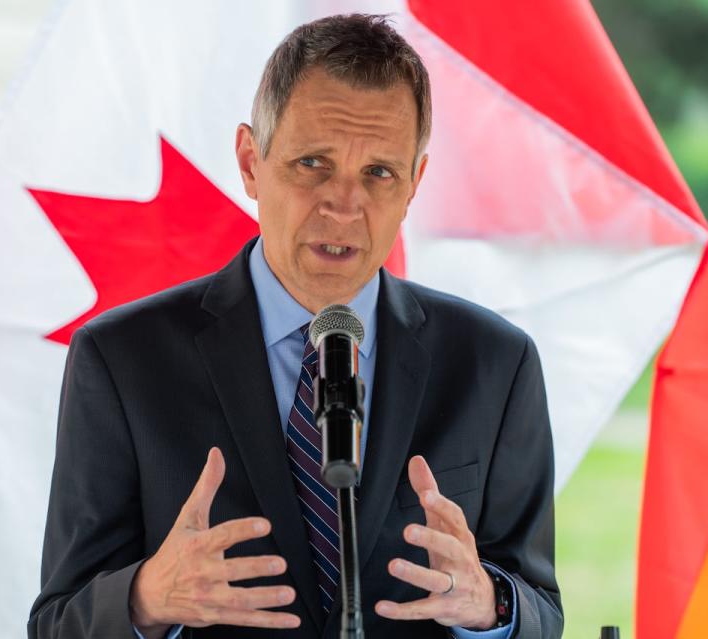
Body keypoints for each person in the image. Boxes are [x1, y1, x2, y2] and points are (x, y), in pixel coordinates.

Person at [29, 13, 562, 639]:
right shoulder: (121, 359)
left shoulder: (496, 364)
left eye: (379, 174)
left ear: (415, 183)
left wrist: (490, 604)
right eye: (314, 163)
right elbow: (57, 625)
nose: (343, 205)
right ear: (251, 162)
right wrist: (147, 597)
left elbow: (542, 613)